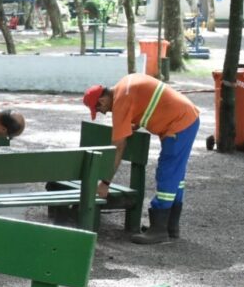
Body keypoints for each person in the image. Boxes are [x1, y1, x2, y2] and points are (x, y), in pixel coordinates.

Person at [83, 73, 200, 244]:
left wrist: (105, 183)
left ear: (102, 101)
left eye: (99, 110)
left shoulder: (120, 102)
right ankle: (170, 227)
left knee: (167, 173)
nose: (104, 113)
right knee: (176, 176)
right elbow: (148, 99)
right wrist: (136, 122)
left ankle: (159, 230)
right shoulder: (124, 84)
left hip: (179, 124)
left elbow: (118, 147)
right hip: (186, 118)